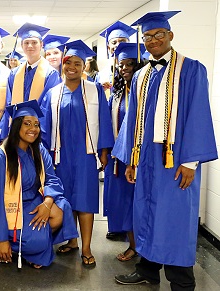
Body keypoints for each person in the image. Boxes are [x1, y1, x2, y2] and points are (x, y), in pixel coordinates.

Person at [113, 11, 217, 290]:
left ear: (170, 36)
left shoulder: (191, 69)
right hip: (146, 158)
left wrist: (192, 162)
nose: (153, 40)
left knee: (175, 218)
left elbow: (198, 115)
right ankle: (147, 269)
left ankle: (182, 281)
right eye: (147, 36)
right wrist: (131, 160)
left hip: (175, 158)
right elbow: (132, 119)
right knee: (146, 212)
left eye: (159, 35)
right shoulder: (141, 75)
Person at [0, 100, 78, 268]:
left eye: (36, 124)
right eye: (27, 124)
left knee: (62, 209)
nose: (33, 128)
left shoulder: (38, 150)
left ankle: (31, 244)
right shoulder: (1, 157)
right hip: (12, 209)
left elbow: (51, 178)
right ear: (16, 126)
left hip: (34, 202)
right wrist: (0, 240)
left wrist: (47, 203)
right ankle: (8, 242)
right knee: (37, 242)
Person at [40, 40, 114, 266]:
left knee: (85, 200)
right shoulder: (52, 92)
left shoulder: (94, 90)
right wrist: (44, 157)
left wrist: (103, 152)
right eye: (68, 62)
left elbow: (104, 121)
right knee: (64, 200)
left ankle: (87, 248)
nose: (72, 66)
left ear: (84, 67)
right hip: (59, 155)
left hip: (85, 155)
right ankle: (72, 241)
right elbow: (44, 126)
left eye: (77, 63)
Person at [104, 42, 145, 262]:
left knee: (139, 203)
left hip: (140, 158)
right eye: (122, 65)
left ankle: (143, 246)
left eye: (130, 64)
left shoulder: (147, 92)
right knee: (124, 203)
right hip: (118, 159)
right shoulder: (118, 93)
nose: (125, 68)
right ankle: (133, 244)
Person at [2, 23, 61, 138]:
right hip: (17, 129)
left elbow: (48, 105)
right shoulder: (14, 73)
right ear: (21, 45)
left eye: (34, 42)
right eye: (26, 42)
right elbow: (9, 103)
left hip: (39, 130)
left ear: (41, 44)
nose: (30, 46)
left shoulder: (51, 74)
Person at [96, 21, 136, 91]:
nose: (118, 45)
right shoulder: (102, 75)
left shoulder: (137, 68)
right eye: (114, 42)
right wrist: (101, 90)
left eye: (122, 41)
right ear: (108, 47)